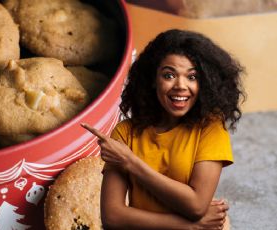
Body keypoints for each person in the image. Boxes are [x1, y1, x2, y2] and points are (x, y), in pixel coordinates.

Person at [81, 29, 245, 229]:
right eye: (169, 75)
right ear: (152, 79)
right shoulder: (125, 132)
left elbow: (196, 206)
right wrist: (190, 226)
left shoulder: (210, 129)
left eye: (192, 77)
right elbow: (112, 217)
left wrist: (130, 162)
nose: (181, 86)